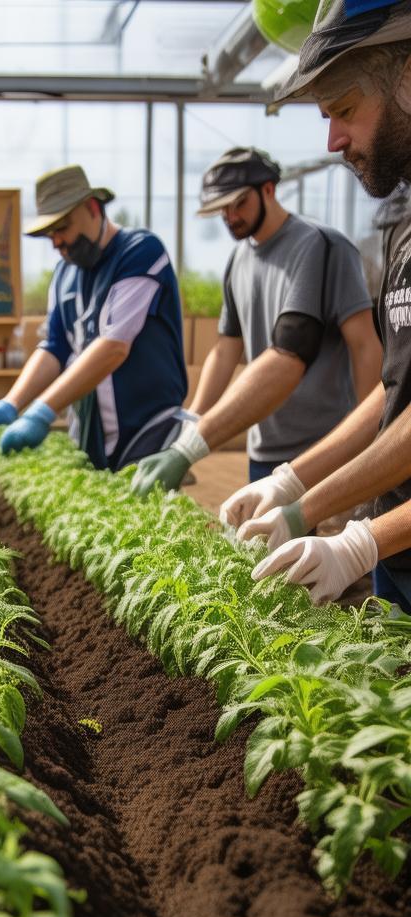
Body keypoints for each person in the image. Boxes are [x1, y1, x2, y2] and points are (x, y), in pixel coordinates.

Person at [224, 0, 411, 606]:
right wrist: (294, 487)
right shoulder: (403, 222)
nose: (332, 140)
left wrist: (355, 539)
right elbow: (396, 388)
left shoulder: (320, 247)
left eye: (346, 110)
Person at [130, 146, 380, 497]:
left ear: (269, 189)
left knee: (318, 550)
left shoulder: (321, 246)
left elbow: (364, 344)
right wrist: (190, 425)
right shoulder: (238, 260)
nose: (231, 216)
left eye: (239, 203)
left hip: (321, 450)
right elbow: (225, 350)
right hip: (263, 449)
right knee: (265, 550)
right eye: (223, 209)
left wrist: (369, 440)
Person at [0, 164, 189, 470]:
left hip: (146, 431)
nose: (57, 242)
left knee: (144, 516)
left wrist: (41, 412)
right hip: (90, 433)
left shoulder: (139, 252)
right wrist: (12, 403)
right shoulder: (64, 273)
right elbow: (54, 348)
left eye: (62, 227)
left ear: (92, 207)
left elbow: (114, 346)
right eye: (50, 234)